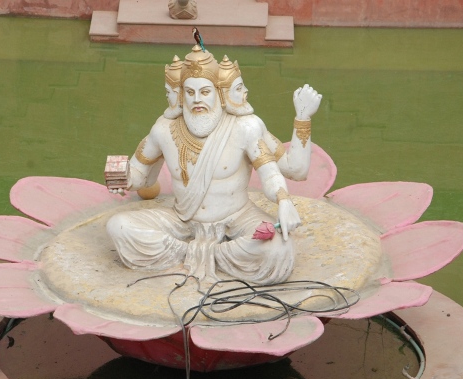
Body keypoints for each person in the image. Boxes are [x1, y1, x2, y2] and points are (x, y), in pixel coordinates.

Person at [106, 45, 311, 285]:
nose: (197, 100)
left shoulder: (245, 127)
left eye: (205, 92)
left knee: (279, 248)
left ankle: (192, 255)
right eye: (189, 92)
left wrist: (284, 201)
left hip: (237, 216)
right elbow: (141, 174)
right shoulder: (164, 129)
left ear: (219, 93)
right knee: (118, 226)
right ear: (180, 94)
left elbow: (270, 174)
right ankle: (206, 255)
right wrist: (124, 178)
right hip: (182, 219)